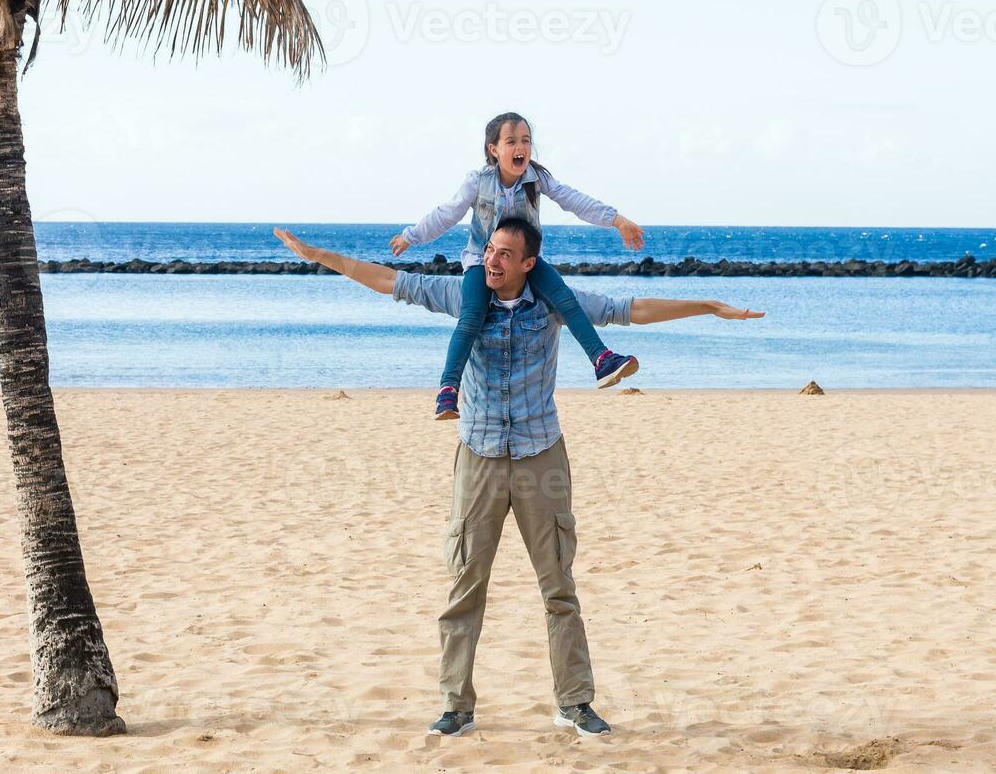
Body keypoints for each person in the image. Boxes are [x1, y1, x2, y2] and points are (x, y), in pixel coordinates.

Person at [273, 219, 764, 738]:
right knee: (465, 584)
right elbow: (386, 279)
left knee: (558, 588)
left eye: (505, 254)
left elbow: (630, 310)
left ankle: (574, 702)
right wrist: (315, 254)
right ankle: (455, 706)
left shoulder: (553, 301)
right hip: (478, 455)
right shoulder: (461, 296)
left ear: (529, 265)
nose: (492, 260)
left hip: (541, 457)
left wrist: (708, 306)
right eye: (489, 249)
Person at [390, 112, 648, 421]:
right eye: (511, 141)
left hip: (526, 260)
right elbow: (447, 214)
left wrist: (617, 220)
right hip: (483, 261)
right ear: (493, 149)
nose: (520, 147)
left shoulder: (536, 178)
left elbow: (573, 200)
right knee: (472, 315)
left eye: (526, 141)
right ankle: (448, 390)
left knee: (564, 299)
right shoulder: (478, 182)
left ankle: (601, 359)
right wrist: (411, 236)